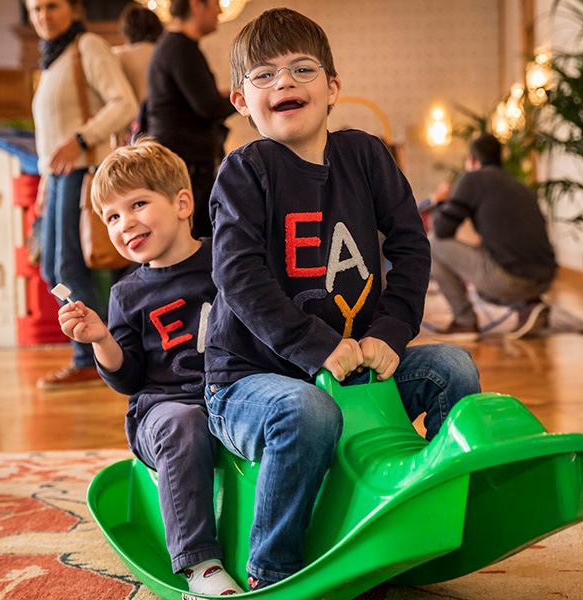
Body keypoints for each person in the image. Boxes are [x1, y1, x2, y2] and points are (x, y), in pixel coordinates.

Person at [205, 8, 481, 590]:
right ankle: (272, 569)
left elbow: (410, 244)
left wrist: (390, 330)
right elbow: (238, 276)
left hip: (358, 361)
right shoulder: (243, 172)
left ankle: (428, 512)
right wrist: (314, 347)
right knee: (307, 411)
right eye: (264, 75)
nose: (284, 82)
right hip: (250, 379)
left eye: (301, 69)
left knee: (452, 367)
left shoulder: (366, 155)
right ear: (240, 100)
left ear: (332, 87)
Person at [58, 141, 241, 596]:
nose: (126, 223)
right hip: (162, 410)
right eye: (113, 217)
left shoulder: (225, 261)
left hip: (232, 395)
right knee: (184, 421)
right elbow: (128, 378)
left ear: (182, 203)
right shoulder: (126, 294)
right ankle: (200, 564)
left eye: (138, 203)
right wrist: (101, 338)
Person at [26, 0, 138, 390]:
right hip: (57, 178)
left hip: (82, 174)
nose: (43, 15)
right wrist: (44, 183)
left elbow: (124, 103)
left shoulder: (86, 46)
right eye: (35, 8)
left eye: (52, 6)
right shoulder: (52, 59)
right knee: (54, 269)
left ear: (74, 9)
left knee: (73, 268)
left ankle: (95, 357)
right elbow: (51, 137)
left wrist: (80, 139)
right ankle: (100, 353)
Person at [428, 134, 557, 341]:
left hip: (511, 278)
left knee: (431, 243)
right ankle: (529, 305)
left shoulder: (473, 178)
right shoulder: (518, 184)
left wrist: (440, 202)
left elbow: (442, 230)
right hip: (545, 277)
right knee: (481, 290)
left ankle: (464, 321)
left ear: (471, 159)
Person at [146, 0, 236, 239]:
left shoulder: (175, 45)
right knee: (196, 242)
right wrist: (245, 96)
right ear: (196, 5)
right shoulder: (181, 48)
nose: (220, 10)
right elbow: (208, 107)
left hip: (185, 164)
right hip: (188, 169)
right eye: (216, 3)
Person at [111, 2, 163, 146]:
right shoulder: (165, 54)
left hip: (132, 133)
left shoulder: (118, 55)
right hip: (162, 128)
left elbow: (116, 100)